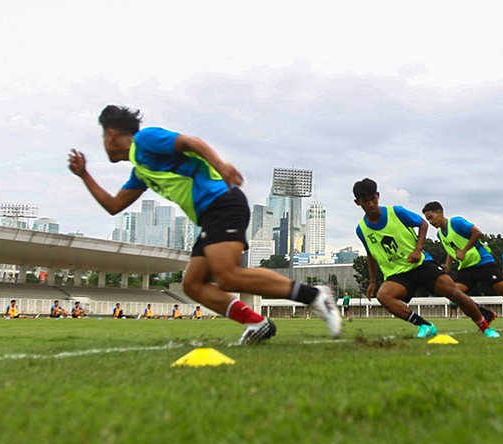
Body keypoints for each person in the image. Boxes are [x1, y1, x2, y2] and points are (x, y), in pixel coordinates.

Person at [68, 105, 340, 343]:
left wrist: (220, 165)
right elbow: (114, 205)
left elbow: (191, 142)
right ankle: (256, 322)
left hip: (222, 202)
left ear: (111, 134)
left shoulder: (146, 139)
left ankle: (315, 296)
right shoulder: (140, 171)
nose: (103, 142)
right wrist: (84, 175)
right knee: (193, 284)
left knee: (228, 276)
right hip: (209, 215)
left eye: (103, 136)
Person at [353, 179, 499, 338]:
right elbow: (370, 254)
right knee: (384, 296)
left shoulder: (396, 212)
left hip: (421, 264)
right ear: (357, 202)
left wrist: (418, 250)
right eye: (366, 201)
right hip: (397, 274)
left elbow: (422, 224)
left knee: (453, 291)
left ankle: (485, 327)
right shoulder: (361, 229)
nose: (371, 204)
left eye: (373, 199)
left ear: (378, 196)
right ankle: (424, 325)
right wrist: (373, 281)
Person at [422, 202, 503, 325]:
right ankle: (485, 314)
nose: (430, 222)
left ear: (440, 212)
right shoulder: (440, 234)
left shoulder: (456, 222)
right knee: (453, 293)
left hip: (482, 262)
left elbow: (477, 232)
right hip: (466, 267)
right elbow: (452, 250)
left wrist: (464, 250)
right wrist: (447, 264)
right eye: (428, 219)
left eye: (431, 217)